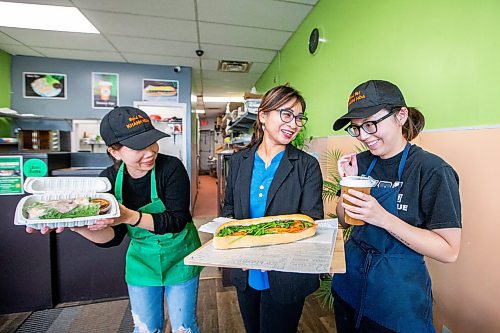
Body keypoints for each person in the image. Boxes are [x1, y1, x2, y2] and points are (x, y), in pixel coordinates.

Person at [29, 106, 202, 333]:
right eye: (138, 146)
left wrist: (128, 216)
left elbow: (176, 220)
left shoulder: (170, 167)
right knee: (145, 328)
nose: (150, 151)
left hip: (181, 256)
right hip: (142, 262)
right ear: (115, 151)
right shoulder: (107, 180)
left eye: (152, 141)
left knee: (184, 327)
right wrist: (76, 224)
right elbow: (112, 237)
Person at [330, 80, 462, 333]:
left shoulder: (432, 170)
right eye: (356, 128)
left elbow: (448, 251)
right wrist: (347, 184)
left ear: (400, 115)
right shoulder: (361, 161)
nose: (364, 136)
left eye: (370, 124)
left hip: (396, 302)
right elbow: (344, 220)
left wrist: (383, 217)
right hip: (348, 289)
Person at [221, 85, 324, 333]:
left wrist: (274, 255)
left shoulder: (306, 166)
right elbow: (229, 211)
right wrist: (237, 250)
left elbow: (310, 223)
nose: (294, 123)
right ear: (263, 115)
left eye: (299, 118)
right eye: (286, 114)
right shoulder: (238, 162)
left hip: (285, 274)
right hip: (246, 271)